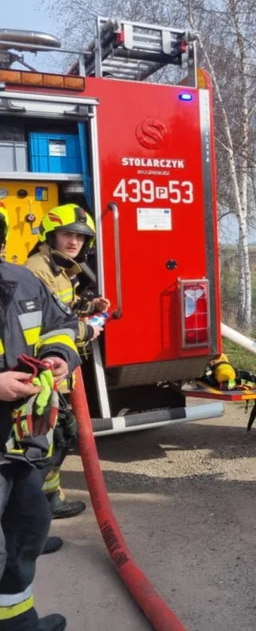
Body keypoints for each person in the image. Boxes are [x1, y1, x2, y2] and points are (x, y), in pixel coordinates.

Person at [0, 206, 82, 631]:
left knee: (26, 534)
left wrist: (57, 355)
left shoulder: (22, 281)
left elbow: (60, 325)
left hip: (21, 443)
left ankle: (17, 622)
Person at [24, 204, 109, 523]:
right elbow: (44, 323)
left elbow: (61, 309)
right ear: (51, 236)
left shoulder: (61, 268)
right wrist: (85, 329)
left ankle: (49, 499)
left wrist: (86, 305)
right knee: (48, 441)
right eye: (67, 235)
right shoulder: (38, 269)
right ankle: (36, 508)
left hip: (56, 372)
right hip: (43, 374)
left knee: (60, 438)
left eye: (79, 237)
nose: (74, 242)